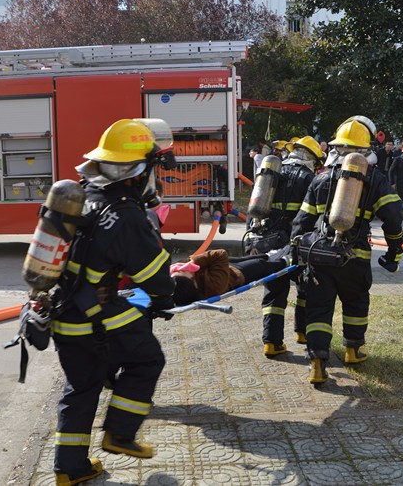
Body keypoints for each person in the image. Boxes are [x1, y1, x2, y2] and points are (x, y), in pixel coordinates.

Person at [50, 119, 176, 485]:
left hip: (61, 312)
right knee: (148, 360)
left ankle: (69, 469)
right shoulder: (125, 215)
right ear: (138, 172)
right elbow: (155, 278)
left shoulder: (81, 195)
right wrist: (164, 297)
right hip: (97, 315)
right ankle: (119, 434)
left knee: (81, 387)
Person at [291, 116, 403, 385]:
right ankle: (353, 351)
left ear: (336, 147)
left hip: (320, 256)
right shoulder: (375, 179)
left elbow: (302, 220)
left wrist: (296, 252)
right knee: (355, 303)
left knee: (319, 309)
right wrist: (394, 252)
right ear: (367, 149)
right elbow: (393, 217)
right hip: (356, 257)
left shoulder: (321, 178)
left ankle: (317, 363)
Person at [248, 136, 325, 357]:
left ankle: (271, 342)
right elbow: (314, 215)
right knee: (305, 286)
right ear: (312, 158)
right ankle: (302, 332)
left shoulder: (272, 173)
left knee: (274, 291)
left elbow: (255, 207)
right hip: (297, 241)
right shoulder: (310, 178)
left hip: (269, 240)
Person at [170, 248, 288, 306]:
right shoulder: (214, 286)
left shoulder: (183, 282)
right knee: (261, 265)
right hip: (237, 273)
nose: (181, 267)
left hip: (220, 267)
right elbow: (221, 253)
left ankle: (270, 255)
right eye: (182, 271)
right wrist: (193, 262)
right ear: (192, 283)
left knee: (256, 258)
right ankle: (286, 260)